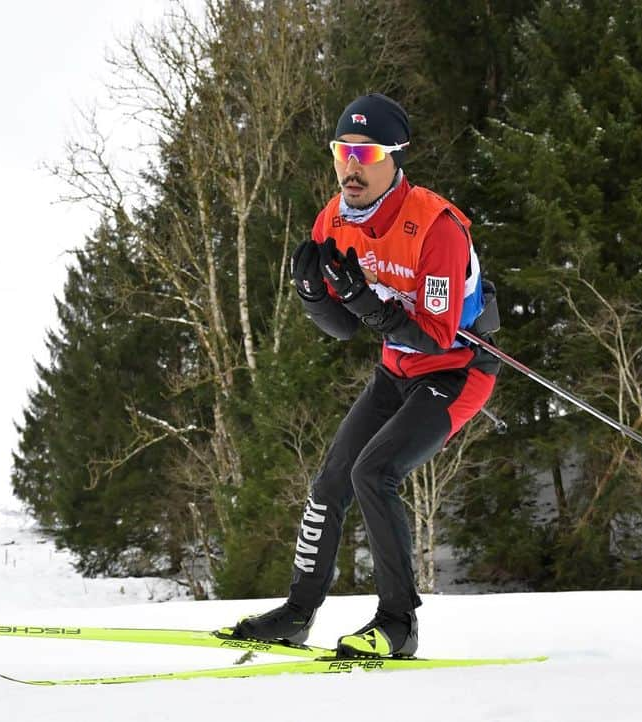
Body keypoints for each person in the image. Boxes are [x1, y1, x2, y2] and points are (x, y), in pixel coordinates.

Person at [232, 93, 499, 658]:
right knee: (332, 478)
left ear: (394, 158)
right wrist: (314, 297)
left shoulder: (437, 227)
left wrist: (366, 303)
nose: (351, 165)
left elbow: (436, 334)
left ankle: (398, 624)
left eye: (367, 152)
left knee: (374, 473)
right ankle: (299, 614)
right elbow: (342, 330)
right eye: (342, 150)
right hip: (395, 370)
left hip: (454, 372)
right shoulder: (332, 220)